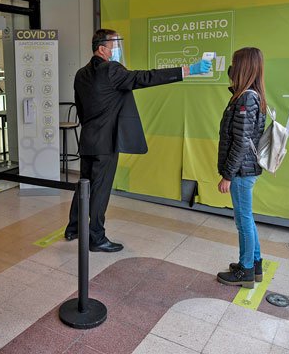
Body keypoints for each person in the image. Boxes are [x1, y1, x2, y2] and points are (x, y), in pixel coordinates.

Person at [64, 28, 212, 252]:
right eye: (115, 46)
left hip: (88, 140)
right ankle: (96, 238)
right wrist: (188, 70)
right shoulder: (111, 70)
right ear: (102, 49)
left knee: (83, 186)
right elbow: (146, 77)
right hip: (105, 144)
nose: (118, 50)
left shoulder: (80, 74)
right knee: (100, 190)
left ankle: (73, 228)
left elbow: (81, 108)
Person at [216, 47, 267, 289]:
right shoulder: (250, 94)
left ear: (244, 67)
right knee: (247, 219)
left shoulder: (246, 98)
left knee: (243, 221)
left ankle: (246, 270)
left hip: (241, 171)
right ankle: (254, 264)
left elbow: (242, 140)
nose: (231, 68)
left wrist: (227, 174)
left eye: (235, 63)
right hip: (245, 170)